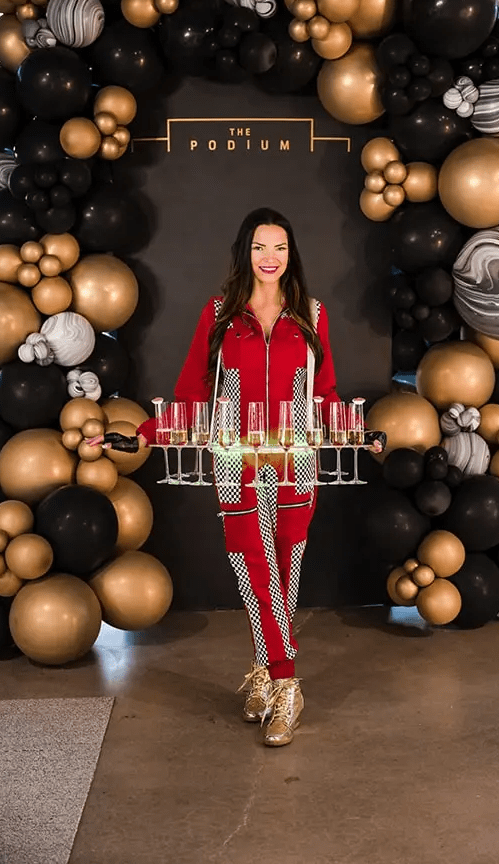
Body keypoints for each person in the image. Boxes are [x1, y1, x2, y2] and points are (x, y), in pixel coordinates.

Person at [92, 207, 383, 747]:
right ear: (244, 253)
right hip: (234, 454)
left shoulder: (312, 316)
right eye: (258, 248)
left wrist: (356, 431)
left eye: (279, 248)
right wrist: (143, 435)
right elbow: (192, 393)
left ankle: (263, 673)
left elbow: (325, 394)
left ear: (290, 255)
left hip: (296, 455)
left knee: (284, 578)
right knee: (254, 566)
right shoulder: (220, 314)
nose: (269, 258)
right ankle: (287, 683)